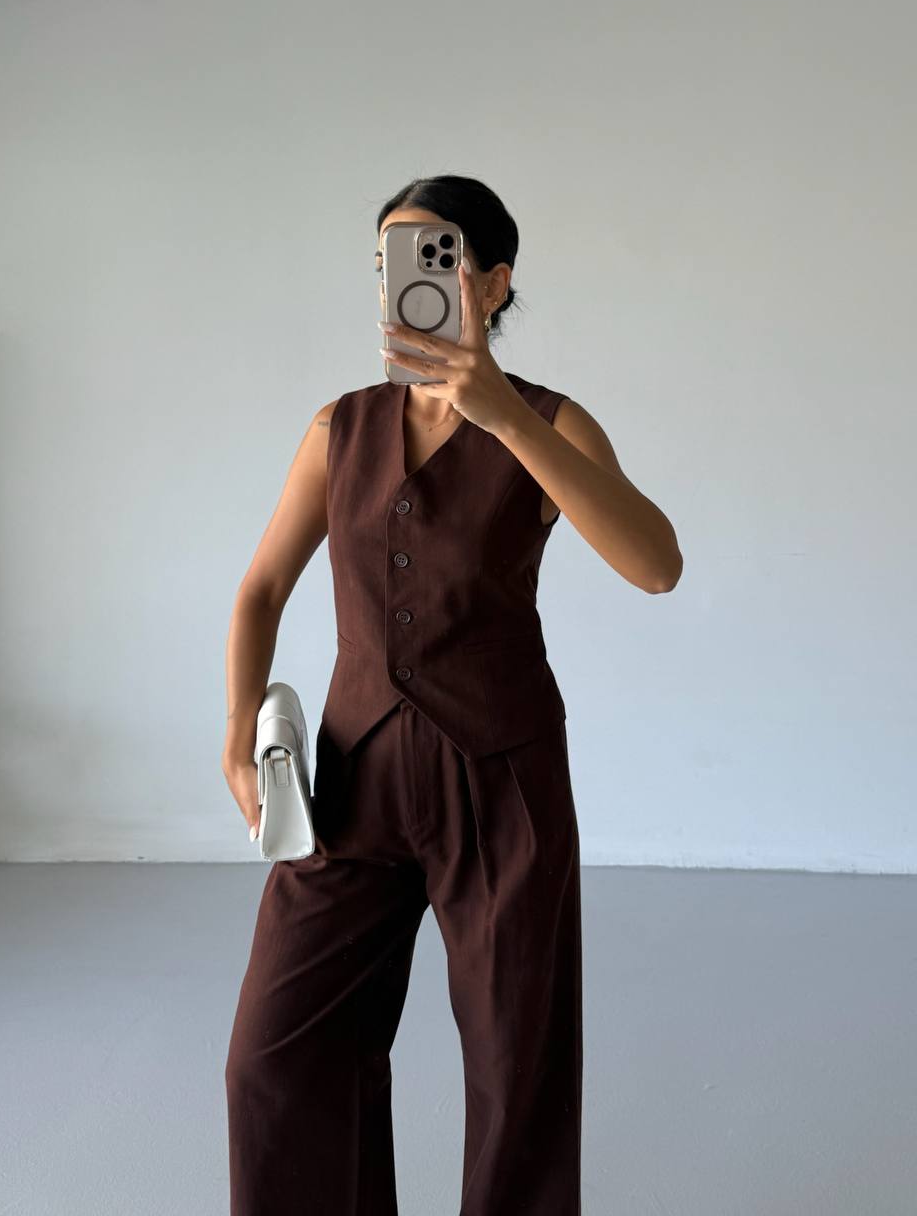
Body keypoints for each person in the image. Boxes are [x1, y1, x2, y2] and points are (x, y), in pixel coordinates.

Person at [220, 174, 683, 1215]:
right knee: (275, 1058)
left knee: (518, 1071)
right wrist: (237, 733)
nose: (404, 281)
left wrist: (504, 415)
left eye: (435, 256)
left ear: (493, 281)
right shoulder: (339, 427)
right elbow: (259, 590)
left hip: (503, 782)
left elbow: (657, 564)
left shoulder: (551, 422)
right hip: (352, 784)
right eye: (388, 260)